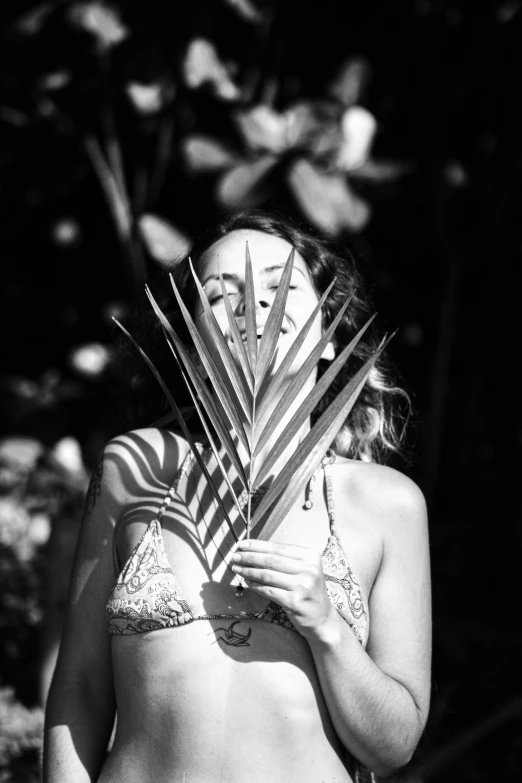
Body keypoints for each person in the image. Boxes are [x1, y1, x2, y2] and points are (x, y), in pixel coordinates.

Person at [43, 210, 431, 783]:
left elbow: (393, 745)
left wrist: (328, 628)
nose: (257, 307)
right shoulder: (136, 467)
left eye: (282, 285)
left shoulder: (387, 502)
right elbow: (78, 690)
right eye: (224, 295)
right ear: (195, 347)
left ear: (327, 330)